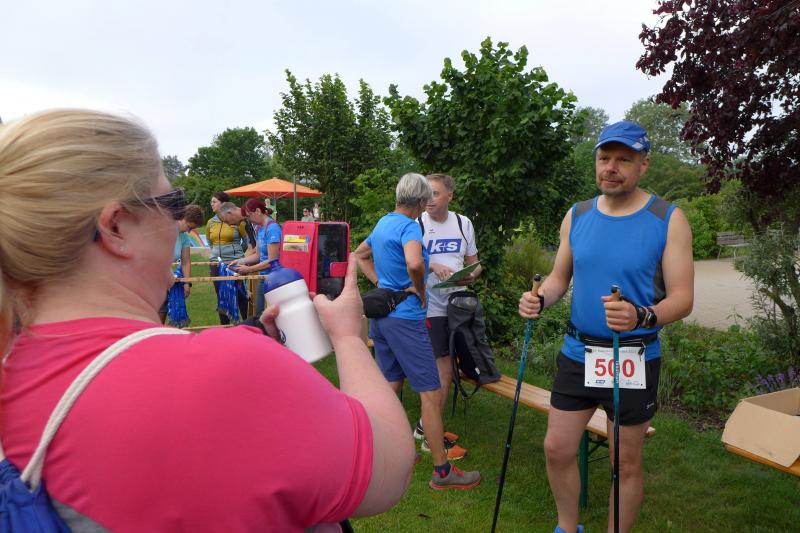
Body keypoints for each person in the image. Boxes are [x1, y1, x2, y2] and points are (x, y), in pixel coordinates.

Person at [0, 109, 414, 532]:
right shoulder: (223, 370)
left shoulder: (13, 369)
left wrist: (252, 336)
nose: (179, 223)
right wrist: (347, 336)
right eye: (172, 204)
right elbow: (389, 469)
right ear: (116, 227)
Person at [518, 121, 694, 533]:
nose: (611, 167)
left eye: (623, 160)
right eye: (604, 158)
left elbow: (683, 299)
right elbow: (559, 277)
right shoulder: (578, 214)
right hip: (578, 353)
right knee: (557, 448)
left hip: (632, 357)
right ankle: (567, 527)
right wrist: (540, 298)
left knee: (624, 461)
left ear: (644, 164)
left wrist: (641, 316)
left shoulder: (668, 218)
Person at [355, 172, 481, 491]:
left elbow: (360, 254)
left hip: (382, 319)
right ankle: (442, 471)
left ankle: (386, 453)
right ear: (422, 200)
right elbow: (414, 263)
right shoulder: (410, 226)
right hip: (406, 319)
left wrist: (382, 284)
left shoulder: (384, 222)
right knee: (430, 392)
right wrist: (420, 291)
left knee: (390, 386)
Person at [414, 173, 482, 460]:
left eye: (435, 193)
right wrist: (432, 266)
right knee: (443, 368)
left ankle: (424, 426)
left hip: (457, 304)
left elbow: (474, 263)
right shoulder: (417, 224)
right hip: (429, 305)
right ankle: (431, 437)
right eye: (426, 193)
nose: (429, 199)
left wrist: (471, 276)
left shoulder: (463, 223)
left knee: (450, 367)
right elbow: (408, 262)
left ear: (450, 196)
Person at [205, 191, 249, 323]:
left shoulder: (237, 220)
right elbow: (210, 242)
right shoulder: (210, 222)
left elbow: (246, 241)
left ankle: (246, 323)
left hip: (234, 263)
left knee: (240, 294)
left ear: (223, 204)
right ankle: (224, 326)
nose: (211, 204)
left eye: (214, 201)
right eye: (211, 202)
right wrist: (216, 254)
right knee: (221, 296)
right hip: (216, 264)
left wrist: (237, 255)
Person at [233, 198, 282, 316]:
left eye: (249, 216)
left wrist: (249, 269)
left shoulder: (272, 228)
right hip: (262, 277)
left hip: (275, 279)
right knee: (259, 314)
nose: (249, 220)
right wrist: (240, 261)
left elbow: (272, 261)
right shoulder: (260, 228)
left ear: (258, 211)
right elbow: (258, 255)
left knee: (272, 315)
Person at [159, 204, 204, 323]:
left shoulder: (184, 236)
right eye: (189, 227)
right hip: (151, 277)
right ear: (182, 217)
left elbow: (186, 261)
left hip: (165, 277)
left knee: (163, 310)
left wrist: (187, 283)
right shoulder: (162, 230)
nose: (188, 231)